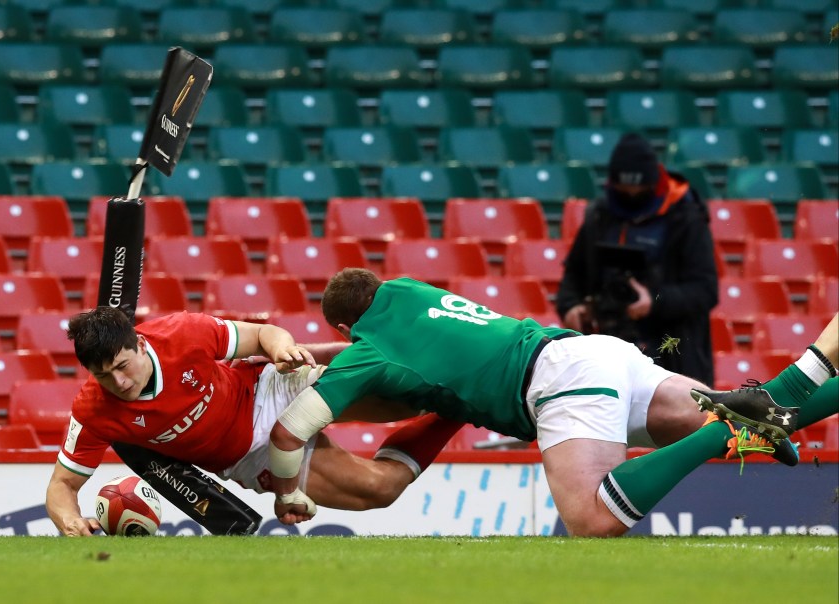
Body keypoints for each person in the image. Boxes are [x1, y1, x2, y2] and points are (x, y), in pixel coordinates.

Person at [266, 269, 839, 536]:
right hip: (596, 353)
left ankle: (738, 426)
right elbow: (377, 344)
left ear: (347, 328)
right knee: (690, 418)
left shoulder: (366, 355)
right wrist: (295, 348)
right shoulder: (406, 293)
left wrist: (288, 491)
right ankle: (766, 404)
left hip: (558, 384)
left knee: (591, 519)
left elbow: (294, 430)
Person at [45, 307, 463, 536]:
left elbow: (264, 334)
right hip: (248, 458)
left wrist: (282, 349)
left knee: (401, 400)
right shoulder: (93, 410)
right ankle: (458, 415)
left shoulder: (182, 333)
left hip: (267, 391)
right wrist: (70, 519)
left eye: (122, 366)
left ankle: (470, 387)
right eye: (103, 375)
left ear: (139, 343)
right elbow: (62, 486)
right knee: (379, 489)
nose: (118, 382)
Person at [556, 132, 719, 386]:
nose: (631, 197)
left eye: (638, 192)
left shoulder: (686, 218)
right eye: (624, 192)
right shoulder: (599, 215)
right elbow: (574, 274)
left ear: (654, 184)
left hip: (672, 357)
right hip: (604, 353)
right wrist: (571, 307)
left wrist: (653, 301)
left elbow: (705, 291)